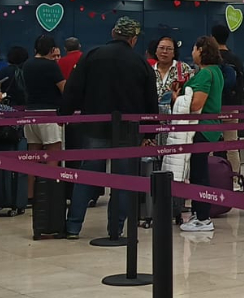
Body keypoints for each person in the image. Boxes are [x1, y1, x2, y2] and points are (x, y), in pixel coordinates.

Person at [60, 17, 158, 240]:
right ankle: (116, 229)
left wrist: (64, 114)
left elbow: (74, 88)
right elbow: (151, 102)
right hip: (127, 130)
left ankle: (73, 226)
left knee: (86, 176)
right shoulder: (141, 63)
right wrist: (150, 132)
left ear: (113, 33)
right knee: (122, 181)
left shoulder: (92, 56)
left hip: (94, 126)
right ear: (133, 39)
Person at [180, 35, 227, 233]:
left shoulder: (205, 74)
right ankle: (200, 212)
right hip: (211, 129)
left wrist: (176, 98)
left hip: (201, 128)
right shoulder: (216, 72)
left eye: (193, 49)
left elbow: (197, 103)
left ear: (201, 50)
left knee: (199, 174)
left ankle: (203, 217)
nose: (192, 53)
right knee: (200, 172)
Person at [21, 34, 67, 203]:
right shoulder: (51, 66)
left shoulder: (27, 65)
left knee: (32, 156)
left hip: (30, 113)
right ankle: (50, 195)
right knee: (53, 155)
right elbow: (64, 89)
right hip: (49, 113)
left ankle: (30, 195)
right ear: (52, 49)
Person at [212, 24, 244, 189]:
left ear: (212, 38)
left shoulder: (210, 59)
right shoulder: (236, 59)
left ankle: (210, 177)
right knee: (232, 145)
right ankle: (234, 181)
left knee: (209, 145)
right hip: (232, 107)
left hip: (212, 107)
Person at [152, 35, 193, 113]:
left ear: (174, 53)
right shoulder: (149, 70)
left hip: (177, 118)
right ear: (156, 51)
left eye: (169, 49)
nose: (164, 51)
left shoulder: (184, 68)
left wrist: (179, 97)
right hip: (152, 119)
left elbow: (191, 93)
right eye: (161, 48)